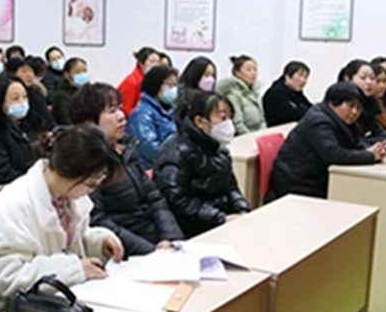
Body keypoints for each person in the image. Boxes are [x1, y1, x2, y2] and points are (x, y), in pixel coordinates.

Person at [0, 124, 124, 312]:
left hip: (66, 301)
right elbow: (5, 278)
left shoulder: (67, 197)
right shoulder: (15, 202)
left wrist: (98, 243)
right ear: (70, 172)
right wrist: (72, 270)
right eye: (91, 184)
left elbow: (68, 243)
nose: (92, 190)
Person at [69, 84, 183, 255]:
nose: (122, 116)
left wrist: (171, 238)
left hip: (160, 244)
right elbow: (99, 221)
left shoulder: (127, 150)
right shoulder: (86, 163)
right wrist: (151, 252)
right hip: (126, 253)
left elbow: (155, 198)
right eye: (112, 111)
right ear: (89, 123)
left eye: (120, 108)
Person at [155, 92, 250, 238]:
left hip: (221, 219)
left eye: (229, 117)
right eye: (222, 118)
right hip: (194, 227)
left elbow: (231, 187)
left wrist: (242, 209)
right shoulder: (175, 153)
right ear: (199, 121)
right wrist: (220, 218)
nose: (228, 124)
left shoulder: (218, 148)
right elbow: (178, 201)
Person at [269, 83, 384, 200]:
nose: (355, 112)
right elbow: (333, 155)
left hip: (316, 179)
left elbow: (356, 141)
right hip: (297, 183)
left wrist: (370, 150)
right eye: (351, 106)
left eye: (359, 108)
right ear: (333, 102)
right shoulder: (319, 121)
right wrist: (369, 156)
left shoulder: (343, 119)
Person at [338, 59, 386, 151]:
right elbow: (353, 142)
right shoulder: (340, 103)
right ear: (348, 79)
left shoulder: (370, 102)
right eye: (363, 78)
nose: (369, 82)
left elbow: (378, 132)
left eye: (372, 78)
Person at [127, 65, 179, 169]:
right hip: (150, 169)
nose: (173, 89)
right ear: (155, 84)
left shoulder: (168, 110)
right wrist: (176, 159)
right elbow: (150, 148)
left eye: (175, 85)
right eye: (169, 85)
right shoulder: (142, 113)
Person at [6, 56, 55, 140]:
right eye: (24, 71)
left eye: (31, 71)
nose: (29, 75)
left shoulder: (36, 92)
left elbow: (48, 121)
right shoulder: (9, 94)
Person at [217, 55, 265, 135]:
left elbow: (262, 119)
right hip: (245, 137)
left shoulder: (255, 92)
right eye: (248, 70)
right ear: (237, 73)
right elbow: (238, 124)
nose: (253, 73)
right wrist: (252, 138)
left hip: (259, 135)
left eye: (255, 69)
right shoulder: (233, 95)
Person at [262, 61, 312, 126]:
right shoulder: (274, 94)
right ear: (287, 76)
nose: (303, 80)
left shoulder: (296, 92)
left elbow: (311, 108)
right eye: (300, 76)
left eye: (305, 77)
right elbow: (293, 115)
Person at [117, 46, 160, 115]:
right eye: (152, 61)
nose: (156, 65)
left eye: (158, 62)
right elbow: (126, 110)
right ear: (141, 63)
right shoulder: (132, 82)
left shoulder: (149, 80)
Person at [176, 56, 217, 123]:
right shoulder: (183, 96)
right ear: (195, 75)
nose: (211, 79)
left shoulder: (213, 98)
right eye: (206, 75)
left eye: (212, 75)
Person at [52, 57, 89, 125]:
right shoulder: (61, 96)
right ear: (67, 75)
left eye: (84, 71)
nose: (82, 75)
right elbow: (67, 122)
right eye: (77, 72)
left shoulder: (89, 91)